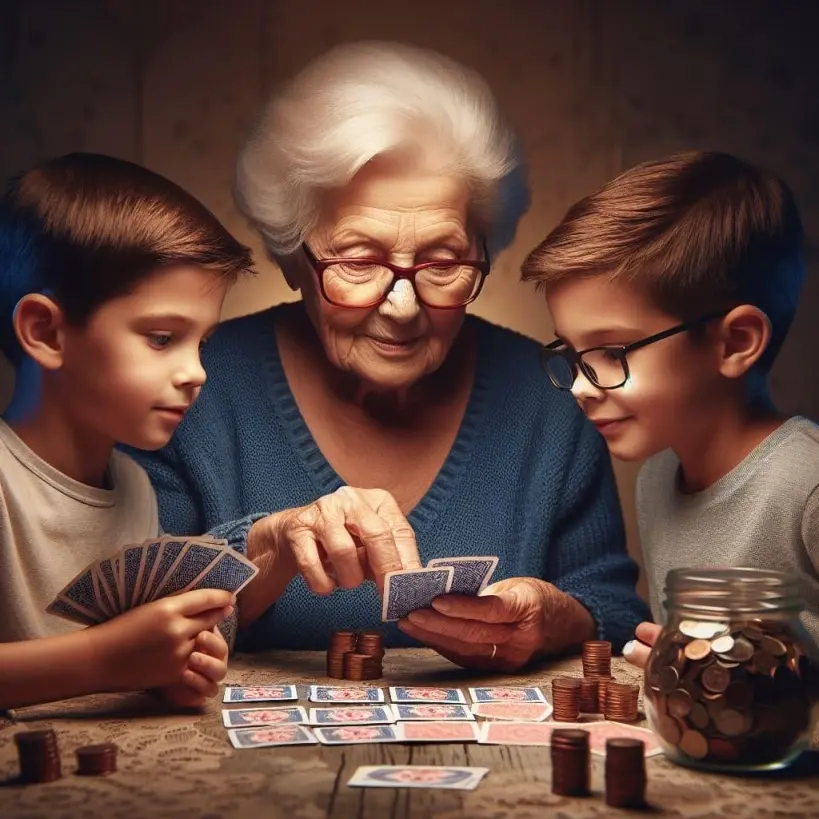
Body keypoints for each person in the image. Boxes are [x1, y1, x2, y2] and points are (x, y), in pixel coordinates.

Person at [129, 41, 649, 671]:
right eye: (357, 261)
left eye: (442, 261)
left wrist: (554, 619)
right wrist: (267, 547)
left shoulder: (551, 393)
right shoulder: (188, 384)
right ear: (295, 259)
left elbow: (617, 613)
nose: (402, 307)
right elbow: (130, 619)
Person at [521, 150, 819, 668]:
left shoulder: (808, 486)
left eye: (612, 352)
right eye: (571, 354)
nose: (580, 389)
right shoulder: (659, 478)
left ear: (736, 342)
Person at [0, 153, 253, 709]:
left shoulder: (136, 486)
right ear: (44, 331)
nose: (197, 372)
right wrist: (103, 660)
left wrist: (172, 664)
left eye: (202, 344)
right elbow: (100, 663)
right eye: (162, 338)